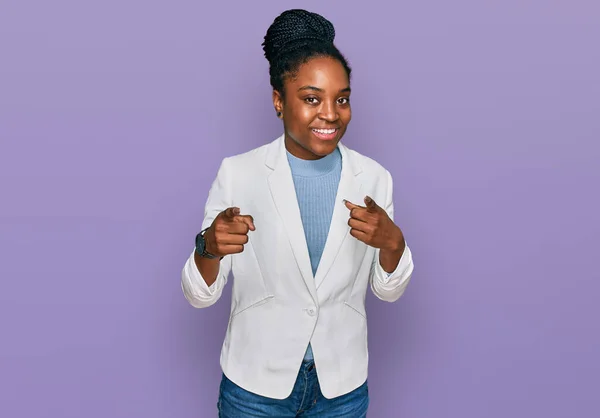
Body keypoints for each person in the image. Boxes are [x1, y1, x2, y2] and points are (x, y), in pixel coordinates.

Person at [181, 9, 415, 417]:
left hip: (340, 388)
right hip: (255, 387)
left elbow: (388, 291)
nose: (330, 113)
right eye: (311, 99)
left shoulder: (375, 178)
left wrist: (394, 244)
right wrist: (208, 248)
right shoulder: (239, 173)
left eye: (341, 99)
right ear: (278, 101)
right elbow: (199, 296)